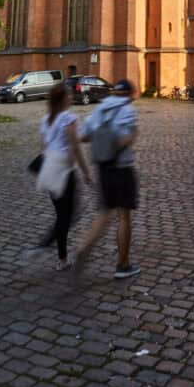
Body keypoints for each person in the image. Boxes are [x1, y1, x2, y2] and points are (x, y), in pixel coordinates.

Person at [75, 79, 140, 279]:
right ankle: (123, 265)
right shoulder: (127, 110)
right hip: (122, 168)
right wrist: (123, 140)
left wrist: (101, 139)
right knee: (124, 216)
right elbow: (127, 138)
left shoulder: (99, 110)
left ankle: (83, 247)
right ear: (129, 94)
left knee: (104, 212)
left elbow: (83, 137)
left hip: (103, 168)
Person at [35, 82, 92, 270]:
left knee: (62, 215)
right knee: (70, 215)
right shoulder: (68, 118)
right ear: (63, 99)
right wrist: (85, 171)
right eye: (69, 95)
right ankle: (46, 245)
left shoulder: (46, 120)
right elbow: (75, 147)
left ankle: (61, 258)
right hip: (65, 172)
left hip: (50, 170)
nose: (71, 97)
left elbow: (44, 146)